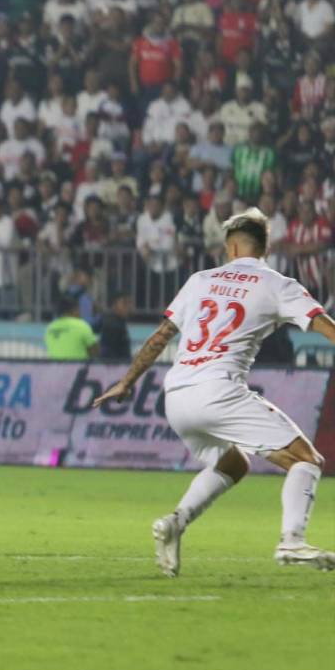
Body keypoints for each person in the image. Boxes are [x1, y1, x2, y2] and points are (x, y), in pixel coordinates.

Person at [93, 208, 335, 576]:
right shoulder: (277, 284)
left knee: (233, 463)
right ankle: (292, 540)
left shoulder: (200, 279)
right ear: (263, 248)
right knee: (306, 460)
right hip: (218, 391)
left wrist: (127, 382)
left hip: (175, 396)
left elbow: (161, 336)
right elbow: (322, 325)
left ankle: (174, 523)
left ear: (233, 248)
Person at [96, 291, 133, 362]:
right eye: (124, 304)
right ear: (114, 305)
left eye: (129, 303)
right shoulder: (113, 325)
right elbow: (111, 352)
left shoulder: (119, 322)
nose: (128, 307)